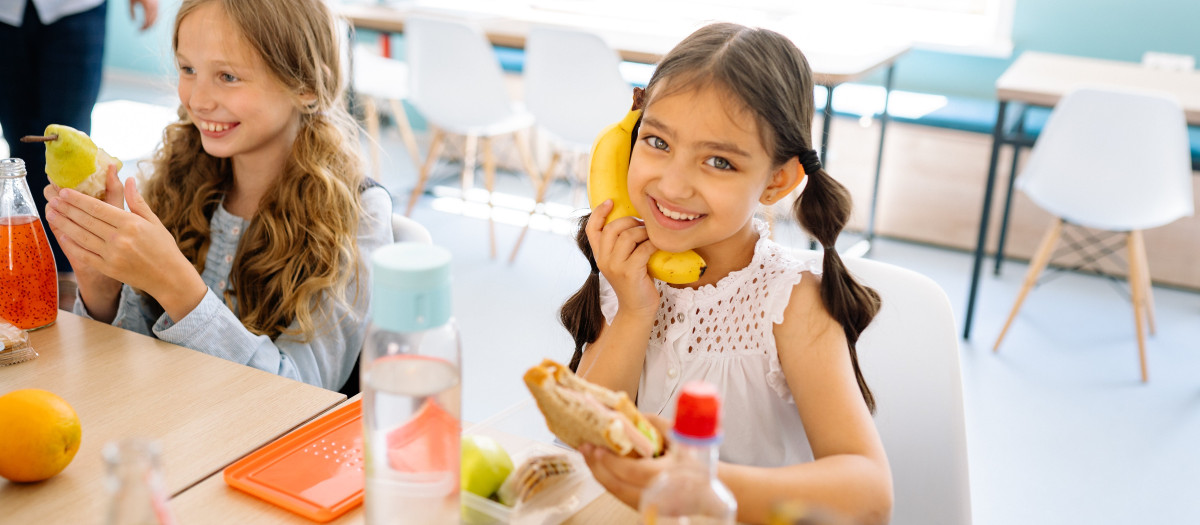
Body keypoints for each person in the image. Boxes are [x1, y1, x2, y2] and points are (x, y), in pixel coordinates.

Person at [558, 23, 893, 524]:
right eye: (657, 142)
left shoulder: (790, 302)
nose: (673, 184)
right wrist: (633, 310)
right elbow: (580, 439)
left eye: (718, 161)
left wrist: (697, 481)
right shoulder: (629, 271)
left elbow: (870, 495)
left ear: (776, 181)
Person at [41, 0, 392, 391]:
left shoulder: (360, 216)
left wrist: (177, 286)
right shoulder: (176, 178)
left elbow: (301, 395)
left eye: (227, 76)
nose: (198, 100)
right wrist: (101, 284)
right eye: (188, 69)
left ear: (307, 85)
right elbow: (131, 369)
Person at [0, 0, 158, 279]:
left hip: (75, 8)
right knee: (20, 150)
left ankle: (71, 273)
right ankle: (26, 268)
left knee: (72, 153)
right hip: (5, 14)